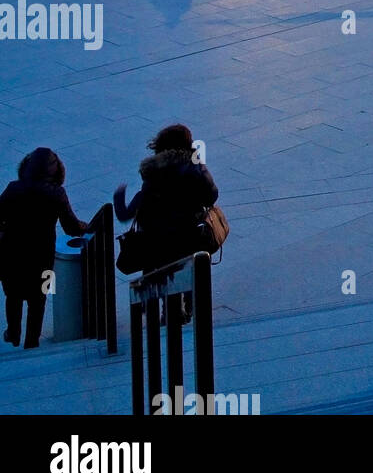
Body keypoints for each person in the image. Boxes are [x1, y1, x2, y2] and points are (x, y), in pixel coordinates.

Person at [0, 148, 88, 348]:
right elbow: (71, 226)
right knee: (39, 298)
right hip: (43, 254)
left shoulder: (13, 188)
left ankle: (13, 333)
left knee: (12, 295)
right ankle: (32, 340)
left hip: (10, 253)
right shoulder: (56, 193)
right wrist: (86, 226)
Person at [114, 124, 219, 280]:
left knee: (158, 283)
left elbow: (125, 214)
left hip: (156, 245)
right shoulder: (196, 169)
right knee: (192, 282)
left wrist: (118, 196)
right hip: (190, 239)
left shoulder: (152, 178)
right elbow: (212, 196)